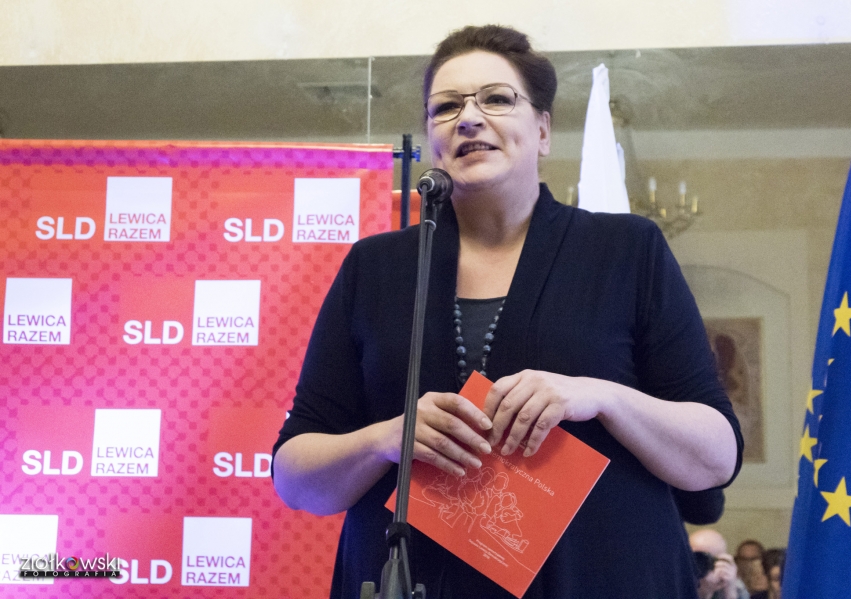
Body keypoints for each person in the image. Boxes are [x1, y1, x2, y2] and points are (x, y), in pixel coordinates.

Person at [272, 24, 743, 598]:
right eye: (446, 107)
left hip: (599, 580)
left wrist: (600, 396)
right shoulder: (375, 267)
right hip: (411, 581)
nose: (469, 118)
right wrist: (387, 438)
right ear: (432, 137)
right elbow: (295, 477)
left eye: (496, 98)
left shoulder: (627, 250)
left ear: (543, 130)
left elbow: (715, 457)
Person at [689, 529, 751, 599]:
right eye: (697, 557)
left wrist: (730, 593)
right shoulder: (680, 580)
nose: (703, 563)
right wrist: (703, 593)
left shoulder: (734, 585)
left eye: (710, 559)